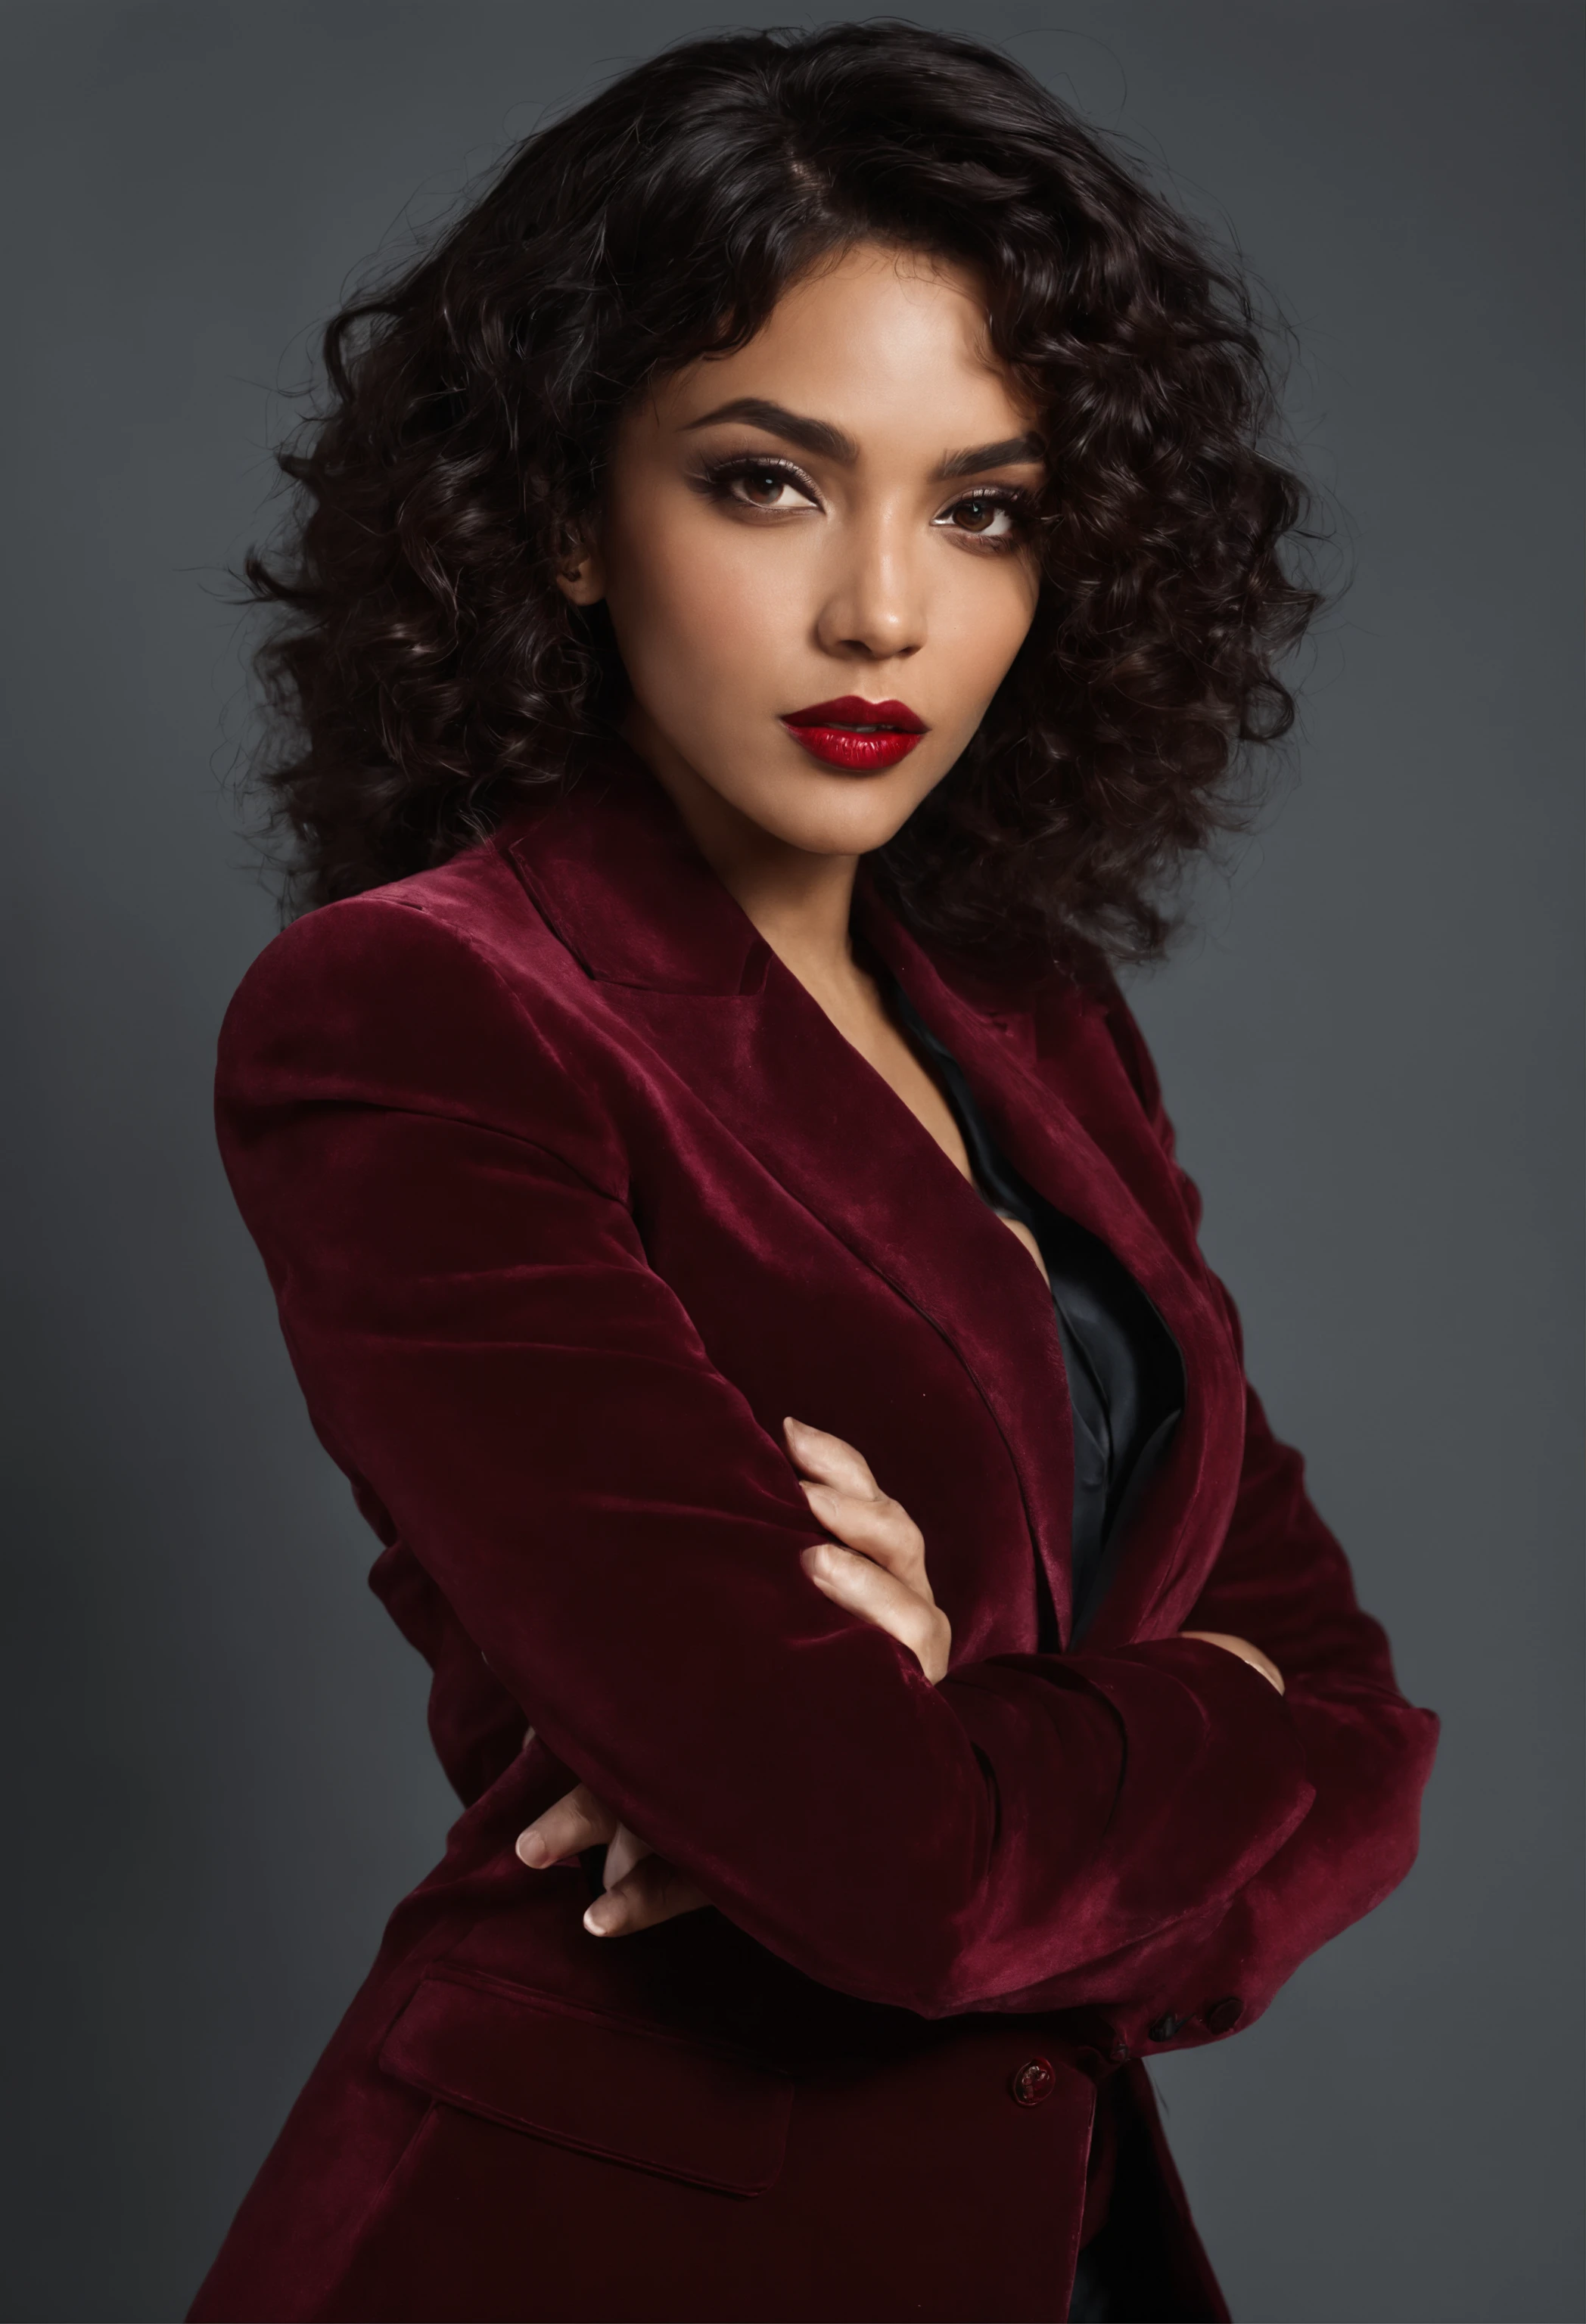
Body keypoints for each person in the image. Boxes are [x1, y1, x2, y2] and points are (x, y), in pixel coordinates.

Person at [188, 25, 1438, 2322]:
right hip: (605, 2244)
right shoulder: (421, 1019)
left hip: (1055, 2238)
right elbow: (905, 1873)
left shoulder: (1032, 1014)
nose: (887, 612)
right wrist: (1199, 1720)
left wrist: (984, 1702)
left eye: (985, 505)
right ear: (567, 513)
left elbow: (1365, 1732)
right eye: (770, 482)